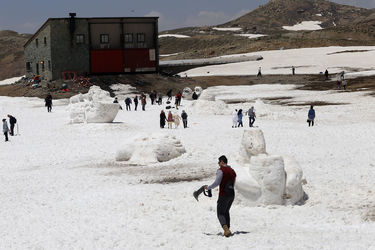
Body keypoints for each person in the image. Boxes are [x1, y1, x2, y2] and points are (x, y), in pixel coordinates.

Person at [205, 155, 236, 237]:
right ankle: (228, 229)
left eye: (219, 162)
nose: (218, 163)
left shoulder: (221, 170)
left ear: (222, 162)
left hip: (223, 194)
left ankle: (226, 230)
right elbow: (234, 183)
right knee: (226, 212)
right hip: (232, 194)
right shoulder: (233, 171)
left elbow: (216, 183)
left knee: (220, 213)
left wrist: (209, 187)